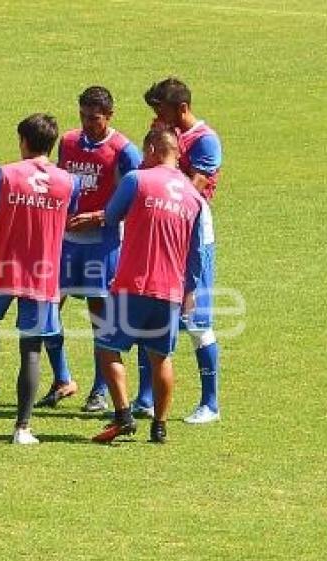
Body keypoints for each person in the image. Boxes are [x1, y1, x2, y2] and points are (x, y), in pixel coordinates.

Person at [30, 86, 142, 413]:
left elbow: (135, 197)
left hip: (103, 245)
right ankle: (62, 378)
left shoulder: (124, 152)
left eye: (94, 118)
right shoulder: (67, 142)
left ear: (110, 116)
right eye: (82, 116)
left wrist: (101, 217)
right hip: (65, 242)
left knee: (100, 319)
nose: (87, 123)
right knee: (47, 307)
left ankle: (99, 390)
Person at [91, 126, 205, 444]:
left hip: (133, 283)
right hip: (170, 290)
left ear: (154, 148)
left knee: (107, 348)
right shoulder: (194, 196)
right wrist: (189, 291)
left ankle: (124, 415)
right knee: (161, 357)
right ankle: (160, 426)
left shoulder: (137, 180)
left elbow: (112, 216)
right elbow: (196, 253)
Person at [0, 113, 80, 444]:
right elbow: (68, 222)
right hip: (43, 276)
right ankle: (22, 428)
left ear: (23, 141)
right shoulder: (69, 182)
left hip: (3, 268)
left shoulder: (2, 175)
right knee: (31, 350)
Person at [133, 77, 223, 425]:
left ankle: (210, 403)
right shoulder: (161, 136)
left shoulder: (206, 141)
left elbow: (188, 190)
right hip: (159, 234)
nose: (157, 116)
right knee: (149, 312)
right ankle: (144, 398)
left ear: (182, 108)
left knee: (196, 320)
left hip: (193, 238)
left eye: (162, 110)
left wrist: (163, 155)